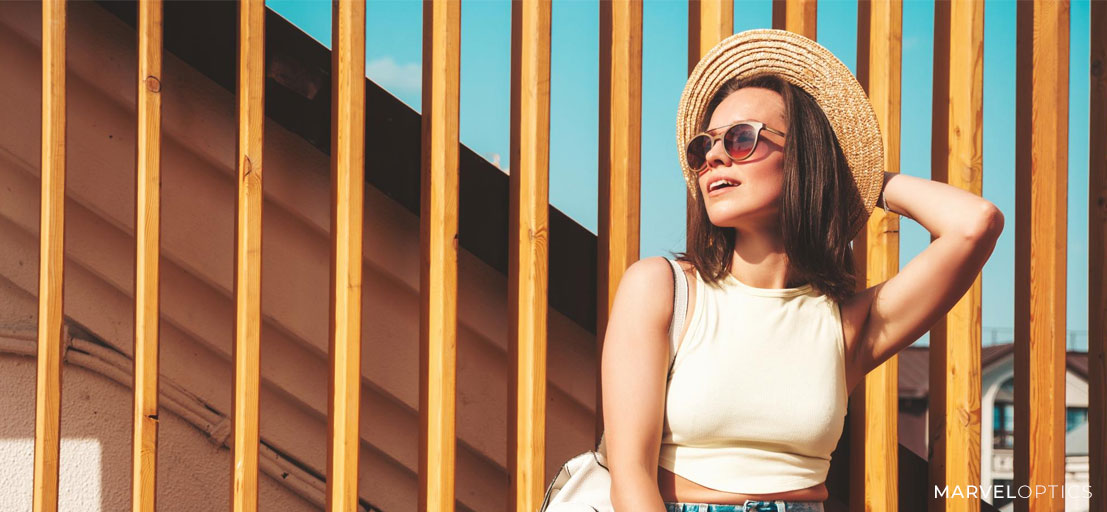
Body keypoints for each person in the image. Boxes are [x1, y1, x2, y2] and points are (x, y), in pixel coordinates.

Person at [599, 29, 1003, 512]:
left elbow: (975, 224)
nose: (712, 156)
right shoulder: (661, 288)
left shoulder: (847, 324)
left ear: (804, 159)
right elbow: (630, 476)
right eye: (702, 146)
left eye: (741, 138)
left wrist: (852, 174)